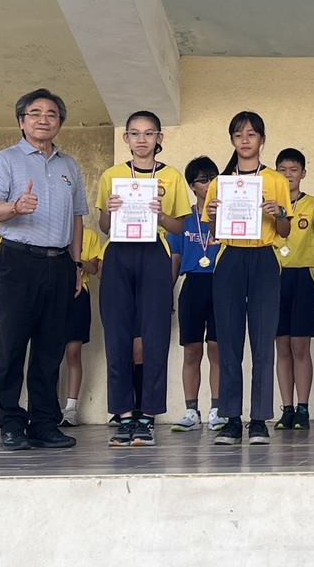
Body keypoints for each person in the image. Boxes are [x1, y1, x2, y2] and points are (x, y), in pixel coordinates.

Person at [0, 88, 88, 450]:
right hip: (17, 261)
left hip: (59, 264)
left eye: (51, 114)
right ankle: (11, 421)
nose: (44, 119)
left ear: (59, 122)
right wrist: (15, 207)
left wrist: (76, 264)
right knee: (11, 345)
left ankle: (44, 422)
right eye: (35, 113)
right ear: (21, 121)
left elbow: (78, 218)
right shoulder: (6, 160)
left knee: (50, 348)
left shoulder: (69, 166)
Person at [98, 111, 190, 448]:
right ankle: (124, 416)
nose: (142, 139)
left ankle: (148, 416)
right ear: (126, 138)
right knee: (117, 336)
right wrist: (110, 211)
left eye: (149, 133)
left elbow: (180, 226)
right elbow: (104, 226)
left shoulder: (172, 176)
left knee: (154, 337)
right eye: (135, 133)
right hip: (118, 254)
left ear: (159, 138)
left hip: (154, 253)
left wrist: (161, 214)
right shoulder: (112, 175)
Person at [204, 111, 292, 446]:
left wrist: (279, 213)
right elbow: (215, 231)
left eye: (252, 134)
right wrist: (214, 215)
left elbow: (284, 231)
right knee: (228, 341)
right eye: (239, 134)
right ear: (232, 140)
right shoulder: (220, 182)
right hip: (230, 258)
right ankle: (231, 419)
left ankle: (258, 420)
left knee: (263, 340)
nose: (245, 140)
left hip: (264, 258)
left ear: (262, 140)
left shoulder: (276, 180)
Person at [273, 148, 314, 431]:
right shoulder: (269, 205)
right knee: (281, 346)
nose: (288, 175)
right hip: (274, 279)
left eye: (294, 170)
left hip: (304, 278)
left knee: (300, 345)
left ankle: (303, 408)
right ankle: (287, 408)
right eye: (282, 170)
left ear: (303, 173)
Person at [168, 156, 224, 432]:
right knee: (192, 350)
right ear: (192, 186)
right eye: (203, 180)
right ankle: (191, 410)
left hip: (221, 283)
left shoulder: (226, 216)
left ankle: (217, 409)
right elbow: (175, 259)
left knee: (217, 349)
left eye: (213, 178)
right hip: (192, 284)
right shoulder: (184, 219)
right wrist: (167, 293)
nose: (209, 184)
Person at [57, 222, 102, 427]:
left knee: (73, 353)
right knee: (51, 353)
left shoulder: (89, 235)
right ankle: (49, 406)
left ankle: (71, 408)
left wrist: (76, 261)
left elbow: (94, 268)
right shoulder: (54, 230)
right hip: (54, 293)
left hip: (78, 294)